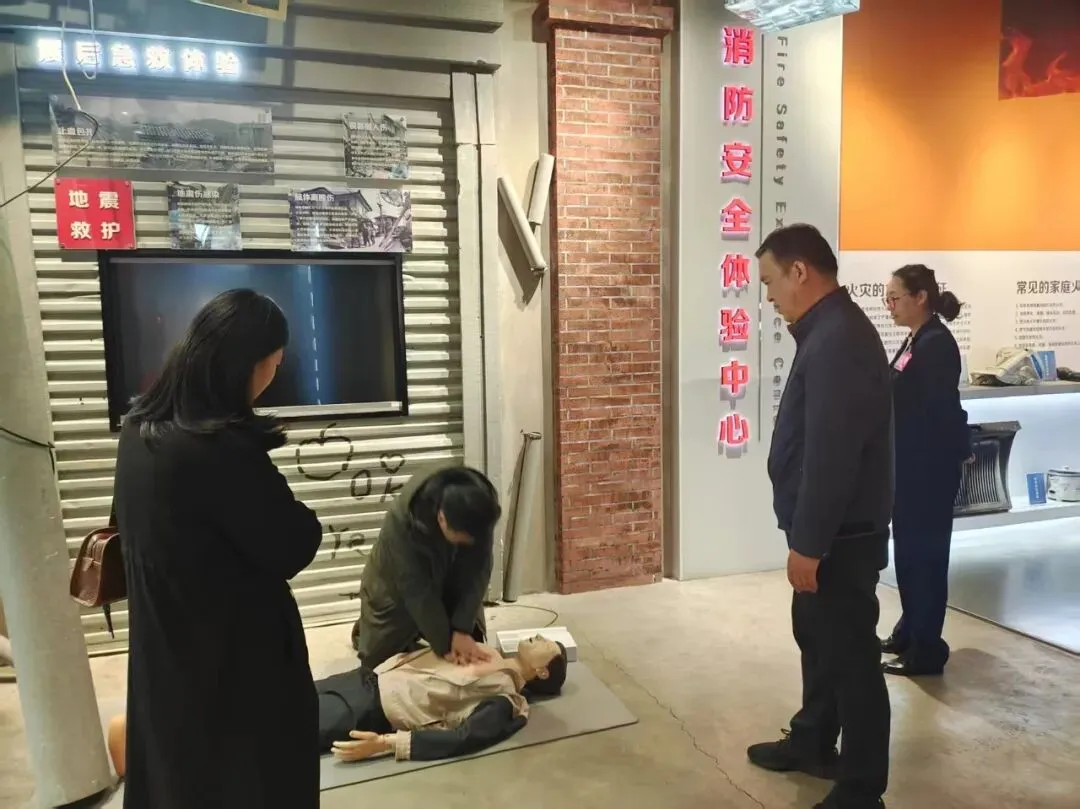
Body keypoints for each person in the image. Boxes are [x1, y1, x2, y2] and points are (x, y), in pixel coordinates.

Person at [114, 289, 324, 809]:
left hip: (164, 650)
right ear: (246, 365)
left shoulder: (138, 430)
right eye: (274, 362)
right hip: (233, 666)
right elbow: (292, 544)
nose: (274, 374)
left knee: (176, 776)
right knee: (248, 781)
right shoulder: (220, 450)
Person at [749, 225, 893, 809]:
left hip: (840, 537)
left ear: (800, 271)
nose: (768, 297)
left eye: (770, 282)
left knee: (852, 658)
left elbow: (832, 454)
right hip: (830, 530)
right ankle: (812, 739)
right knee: (819, 638)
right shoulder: (827, 331)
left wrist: (809, 543)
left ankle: (861, 788)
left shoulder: (839, 339)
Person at [106, 636, 569, 777]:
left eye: (544, 645)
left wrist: (389, 744)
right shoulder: (485, 648)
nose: (536, 637)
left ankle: (153, 751)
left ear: (542, 672)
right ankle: (159, 736)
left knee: (268, 734)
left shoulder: (509, 699)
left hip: (371, 710)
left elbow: (466, 738)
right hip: (365, 679)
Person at [879, 265, 971, 677]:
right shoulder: (916, 338)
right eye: (887, 298)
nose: (890, 305)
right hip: (910, 465)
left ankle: (927, 648)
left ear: (920, 298)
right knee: (910, 554)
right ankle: (910, 630)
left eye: (895, 297)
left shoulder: (936, 344)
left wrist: (960, 449)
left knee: (926, 558)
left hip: (928, 469)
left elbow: (943, 409)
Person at [351, 464, 502, 669]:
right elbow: (415, 589)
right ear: (442, 519)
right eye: (462, 539)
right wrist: (445, 645)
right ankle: (364, 630)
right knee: (378, 664)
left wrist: (462, 629)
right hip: (396, 577)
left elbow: (479, 569)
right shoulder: (403, 521)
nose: (471, 543)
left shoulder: (480, 507)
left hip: (452, 567)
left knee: (470, 650)